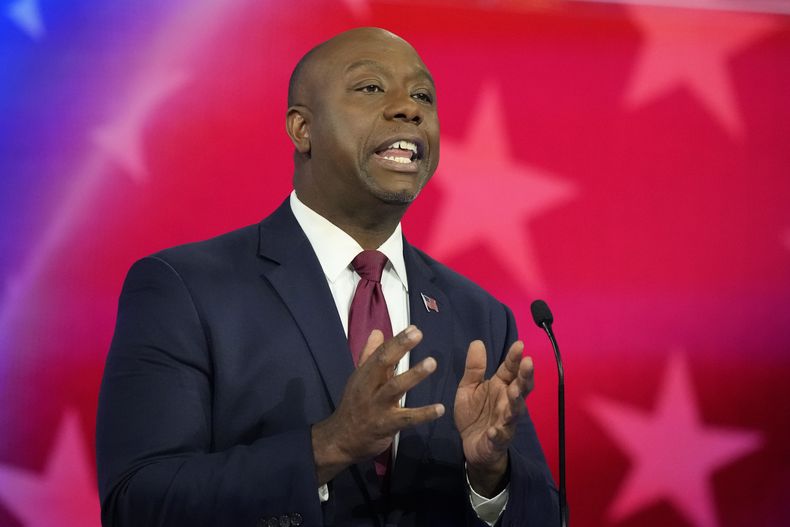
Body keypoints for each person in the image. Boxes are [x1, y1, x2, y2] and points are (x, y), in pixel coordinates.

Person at [96, 27, 559, 526]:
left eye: (423, 95)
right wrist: (330, 445)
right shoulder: (184, 289)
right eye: (370, 88)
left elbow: (547, 518)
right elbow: (136, 504)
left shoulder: (479, 316)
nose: (410, 109)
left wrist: (489, 478)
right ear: (302, 129)